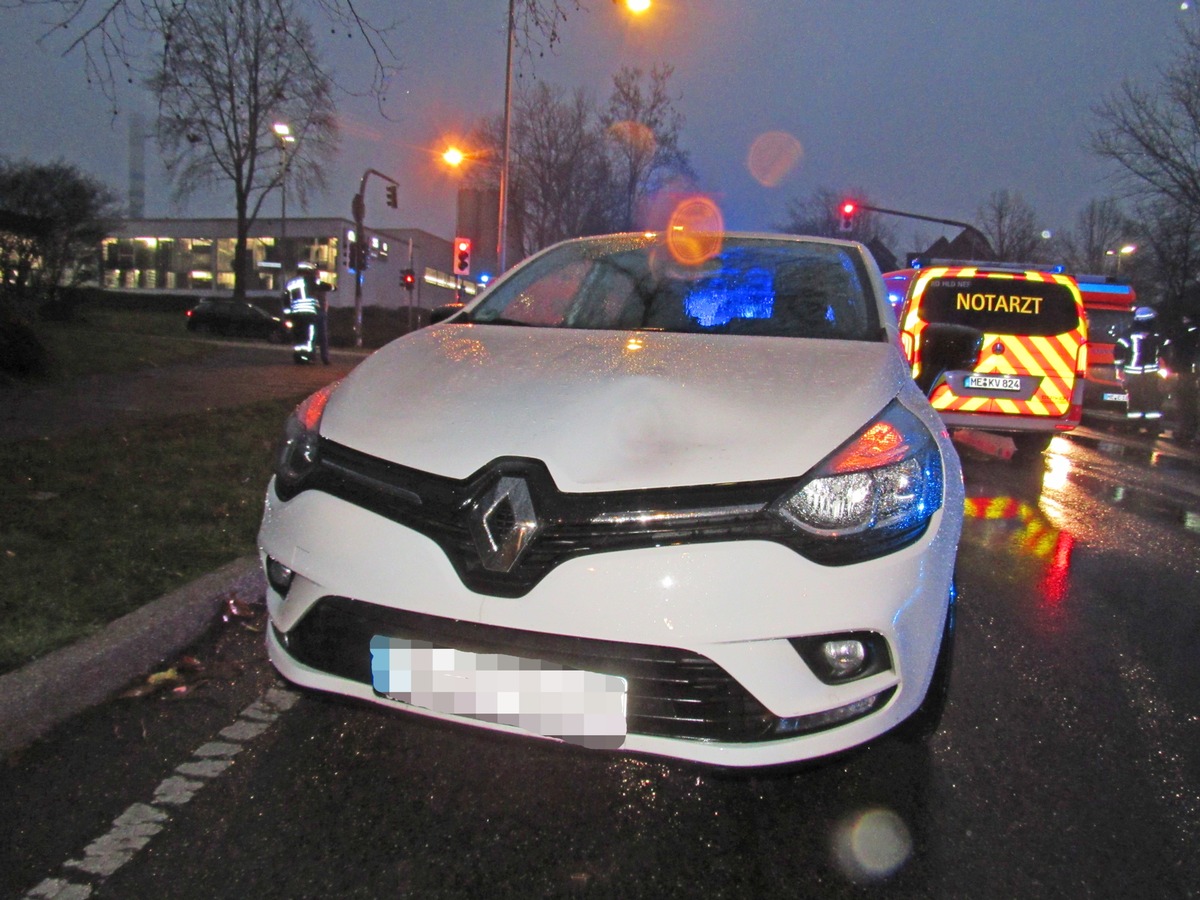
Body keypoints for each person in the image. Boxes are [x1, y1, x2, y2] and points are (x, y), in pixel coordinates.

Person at [1114, 307, 1166, 431]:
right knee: (1152, 399)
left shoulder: (1128, 334)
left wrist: (1119, 369)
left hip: (1132, 374)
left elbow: (1118, 351)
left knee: (1134, 399)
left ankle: (1134, 425)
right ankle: (1153, 427)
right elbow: (1165, 350)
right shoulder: (1156, 335)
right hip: (1151, 374)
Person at [285, 266, 331, 364]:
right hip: (310, 313)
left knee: (300, 336)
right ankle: (308, 357)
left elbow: (286, 300)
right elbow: (328, 288)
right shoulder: (312, 282)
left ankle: (300, 356)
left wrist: (288, 315)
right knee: (310, 336)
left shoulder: (291, 283)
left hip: (297, 314)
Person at [1172, 315, 1199, 444]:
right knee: (1187, 405)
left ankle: (1185, 431)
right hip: (1187, 376)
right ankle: (1187, 432)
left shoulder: (1185, 335)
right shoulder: (1188, 335)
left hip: (1186, 375)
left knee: (1185, 405)